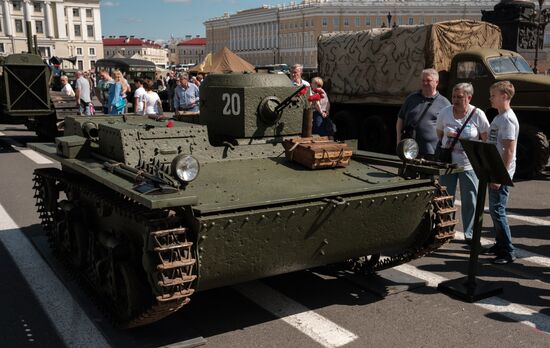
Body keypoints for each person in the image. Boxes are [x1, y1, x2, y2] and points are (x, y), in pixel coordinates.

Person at [436, 83, 490, 244]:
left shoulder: (477, 114)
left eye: (459, 97)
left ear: (469, 97)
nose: (455, 100)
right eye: (453, 96)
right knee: (445, 199)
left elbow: (485, 139)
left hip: (469, 164)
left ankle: (470, 234)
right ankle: (446, 230)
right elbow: (439, 134)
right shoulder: (445, 112)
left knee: (470, 200)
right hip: (448, 165)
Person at [482, 81, 519, 264]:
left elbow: (509, 151)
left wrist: (499, 176)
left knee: (498, 210)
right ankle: (499, 244)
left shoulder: (508, 120)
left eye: (493, 95)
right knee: (495, 211)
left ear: (504, 96)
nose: (491, 98)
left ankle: (508, 251)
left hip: (501, 173)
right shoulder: (498, 118)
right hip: (493, 170)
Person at [396, 68, 451, 158]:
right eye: (423, 80)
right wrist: (398, 141)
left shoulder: (444, 103)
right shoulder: (411, 98)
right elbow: (400, 119)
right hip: (408, 150)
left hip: (431, 152)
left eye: (428, 80)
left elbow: (449, 127)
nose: (425, 83)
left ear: (436, 82)